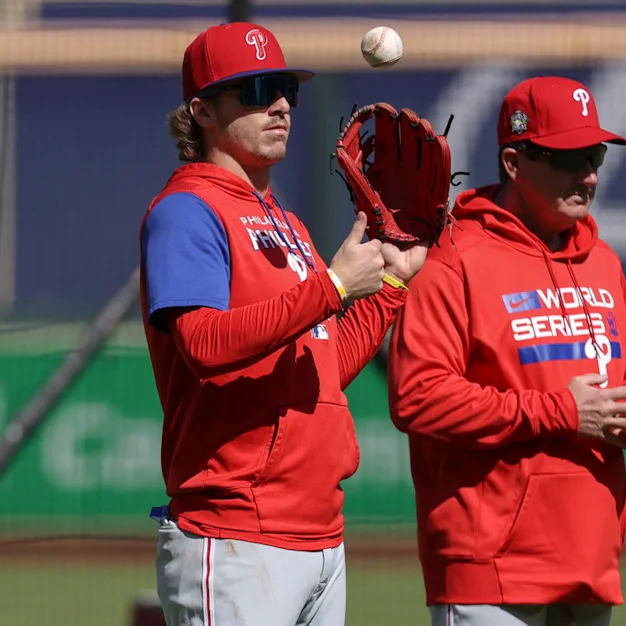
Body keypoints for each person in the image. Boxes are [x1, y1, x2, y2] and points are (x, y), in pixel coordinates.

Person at [139, 22, 426, 626]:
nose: (279, 104)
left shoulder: (286, 223)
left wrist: (391, 285)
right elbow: (203, 344)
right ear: (202, 110)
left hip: (319, 532)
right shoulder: (187, 211)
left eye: (285, 89)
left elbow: (322, 364)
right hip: (236, 533)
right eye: (254, 88)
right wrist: (334, 285)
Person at [386, 76, 626, 626]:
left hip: (589, 560)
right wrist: (563, 412)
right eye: (568, 158)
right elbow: (417, 397)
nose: (587, 174)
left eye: (595, 156)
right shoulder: (456, 259)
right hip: (490, 565)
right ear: (513, 162)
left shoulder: (603, 261)